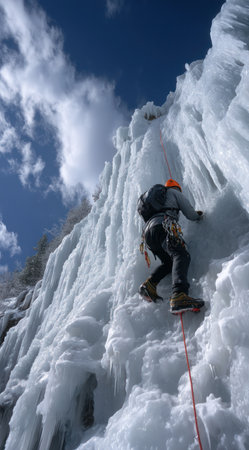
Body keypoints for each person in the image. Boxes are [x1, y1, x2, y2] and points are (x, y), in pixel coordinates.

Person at [138, 179, 205, 313]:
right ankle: (179, 294)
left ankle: (149, 285)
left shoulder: (155, 200)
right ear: (176, 188)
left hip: (148, 235)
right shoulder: (174, 192)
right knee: (181, 254)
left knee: (170, 262)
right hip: (163, 226)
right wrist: (199, 217)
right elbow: (190, 213)